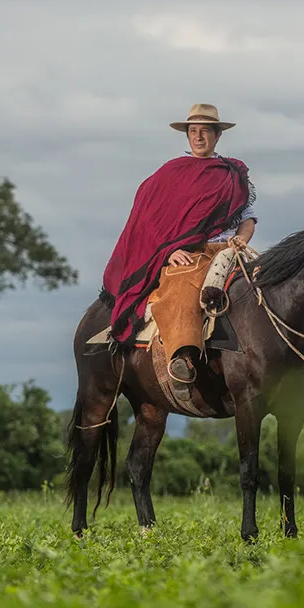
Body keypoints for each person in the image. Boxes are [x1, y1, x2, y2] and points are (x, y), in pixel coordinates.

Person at [101, 105, 256, 393]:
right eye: (193, 132)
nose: (198, 138)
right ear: (187, 136)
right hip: (192, 253)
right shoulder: (169, 174)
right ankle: (181, 357)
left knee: (273, 283)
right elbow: (146, 219)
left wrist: (243, 239)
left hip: (232, 249)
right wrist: (168, 251)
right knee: (182, 286)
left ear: (217, 136)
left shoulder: (232, 174)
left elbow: (247, 218)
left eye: (205, 132)